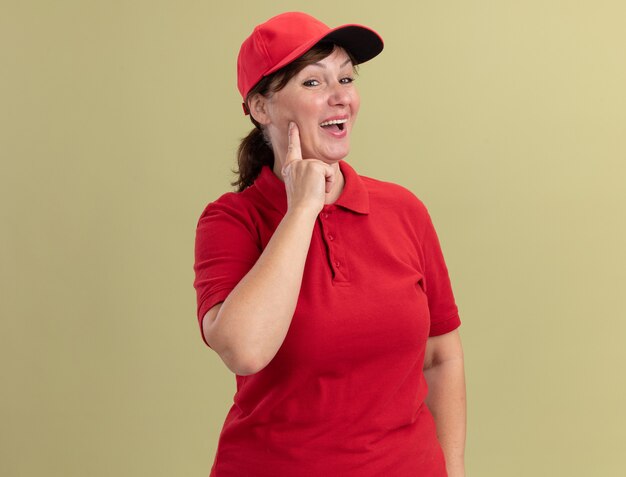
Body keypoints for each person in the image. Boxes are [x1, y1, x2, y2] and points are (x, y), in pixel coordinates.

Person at [193, 11, 466, 477]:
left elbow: (441, 357)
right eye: (313, 83)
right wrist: (301, 209)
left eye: (345, 77)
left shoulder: (404, 210)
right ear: (262, 107)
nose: (341, 97)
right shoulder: (231, 220)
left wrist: (452, 471)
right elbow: (244, 350)